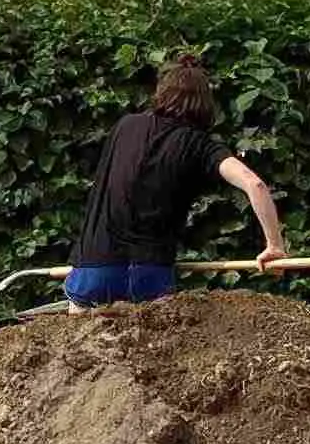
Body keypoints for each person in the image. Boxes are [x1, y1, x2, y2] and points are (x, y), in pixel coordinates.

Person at [64, 54, 295, 305]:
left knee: (79, 340)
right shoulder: (201, 145)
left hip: (96, 268)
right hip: (150, 274)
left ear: (161, 92)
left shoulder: (125, 127)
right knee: (151, 343)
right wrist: (274, 245)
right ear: (205, 103)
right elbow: (255, 184)